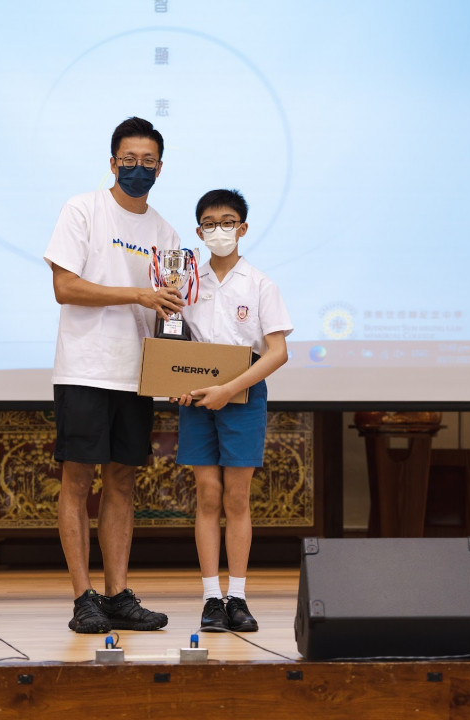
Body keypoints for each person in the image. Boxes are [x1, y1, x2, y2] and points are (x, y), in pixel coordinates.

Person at [43, 117, 185, 634]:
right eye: (129, 160)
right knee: (77, 479)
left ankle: (117, 593)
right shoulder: (83, 209)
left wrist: (182, 361)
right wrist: (137, 294)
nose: (137, 169)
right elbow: (65, 287)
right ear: (112, 163)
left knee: (122, 481)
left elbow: (170, 310)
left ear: (160, 168)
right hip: (85, 367)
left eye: (148, 162)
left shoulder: (165, 233)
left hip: (136, 374)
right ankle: (83, 597)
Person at [173, 189, 293, 633]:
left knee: (237, 496)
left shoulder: (260, 284)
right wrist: (175, 382)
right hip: (197, 399)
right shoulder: (187, 283)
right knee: (207, 494)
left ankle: (237, 597)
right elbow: (173, 344)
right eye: (209, 223)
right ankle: (211, 598)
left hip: (243, 395)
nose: (218, 230)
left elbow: (277, 352)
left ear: (242, 229)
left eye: (227, 222)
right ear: (199, 231)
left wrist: (229, 389)